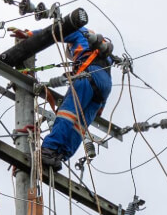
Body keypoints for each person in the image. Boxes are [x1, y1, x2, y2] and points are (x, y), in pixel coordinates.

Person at [25, 26, 114, 170]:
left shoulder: (79, 32)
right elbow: (105, 78)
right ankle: (59, 156)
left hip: (88, 75)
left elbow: (55, 31)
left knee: (67, 114)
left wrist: (29, 34)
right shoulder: (103, 53)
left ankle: (48, 150)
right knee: (79, 126)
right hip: (104, 88)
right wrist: (100, 107)